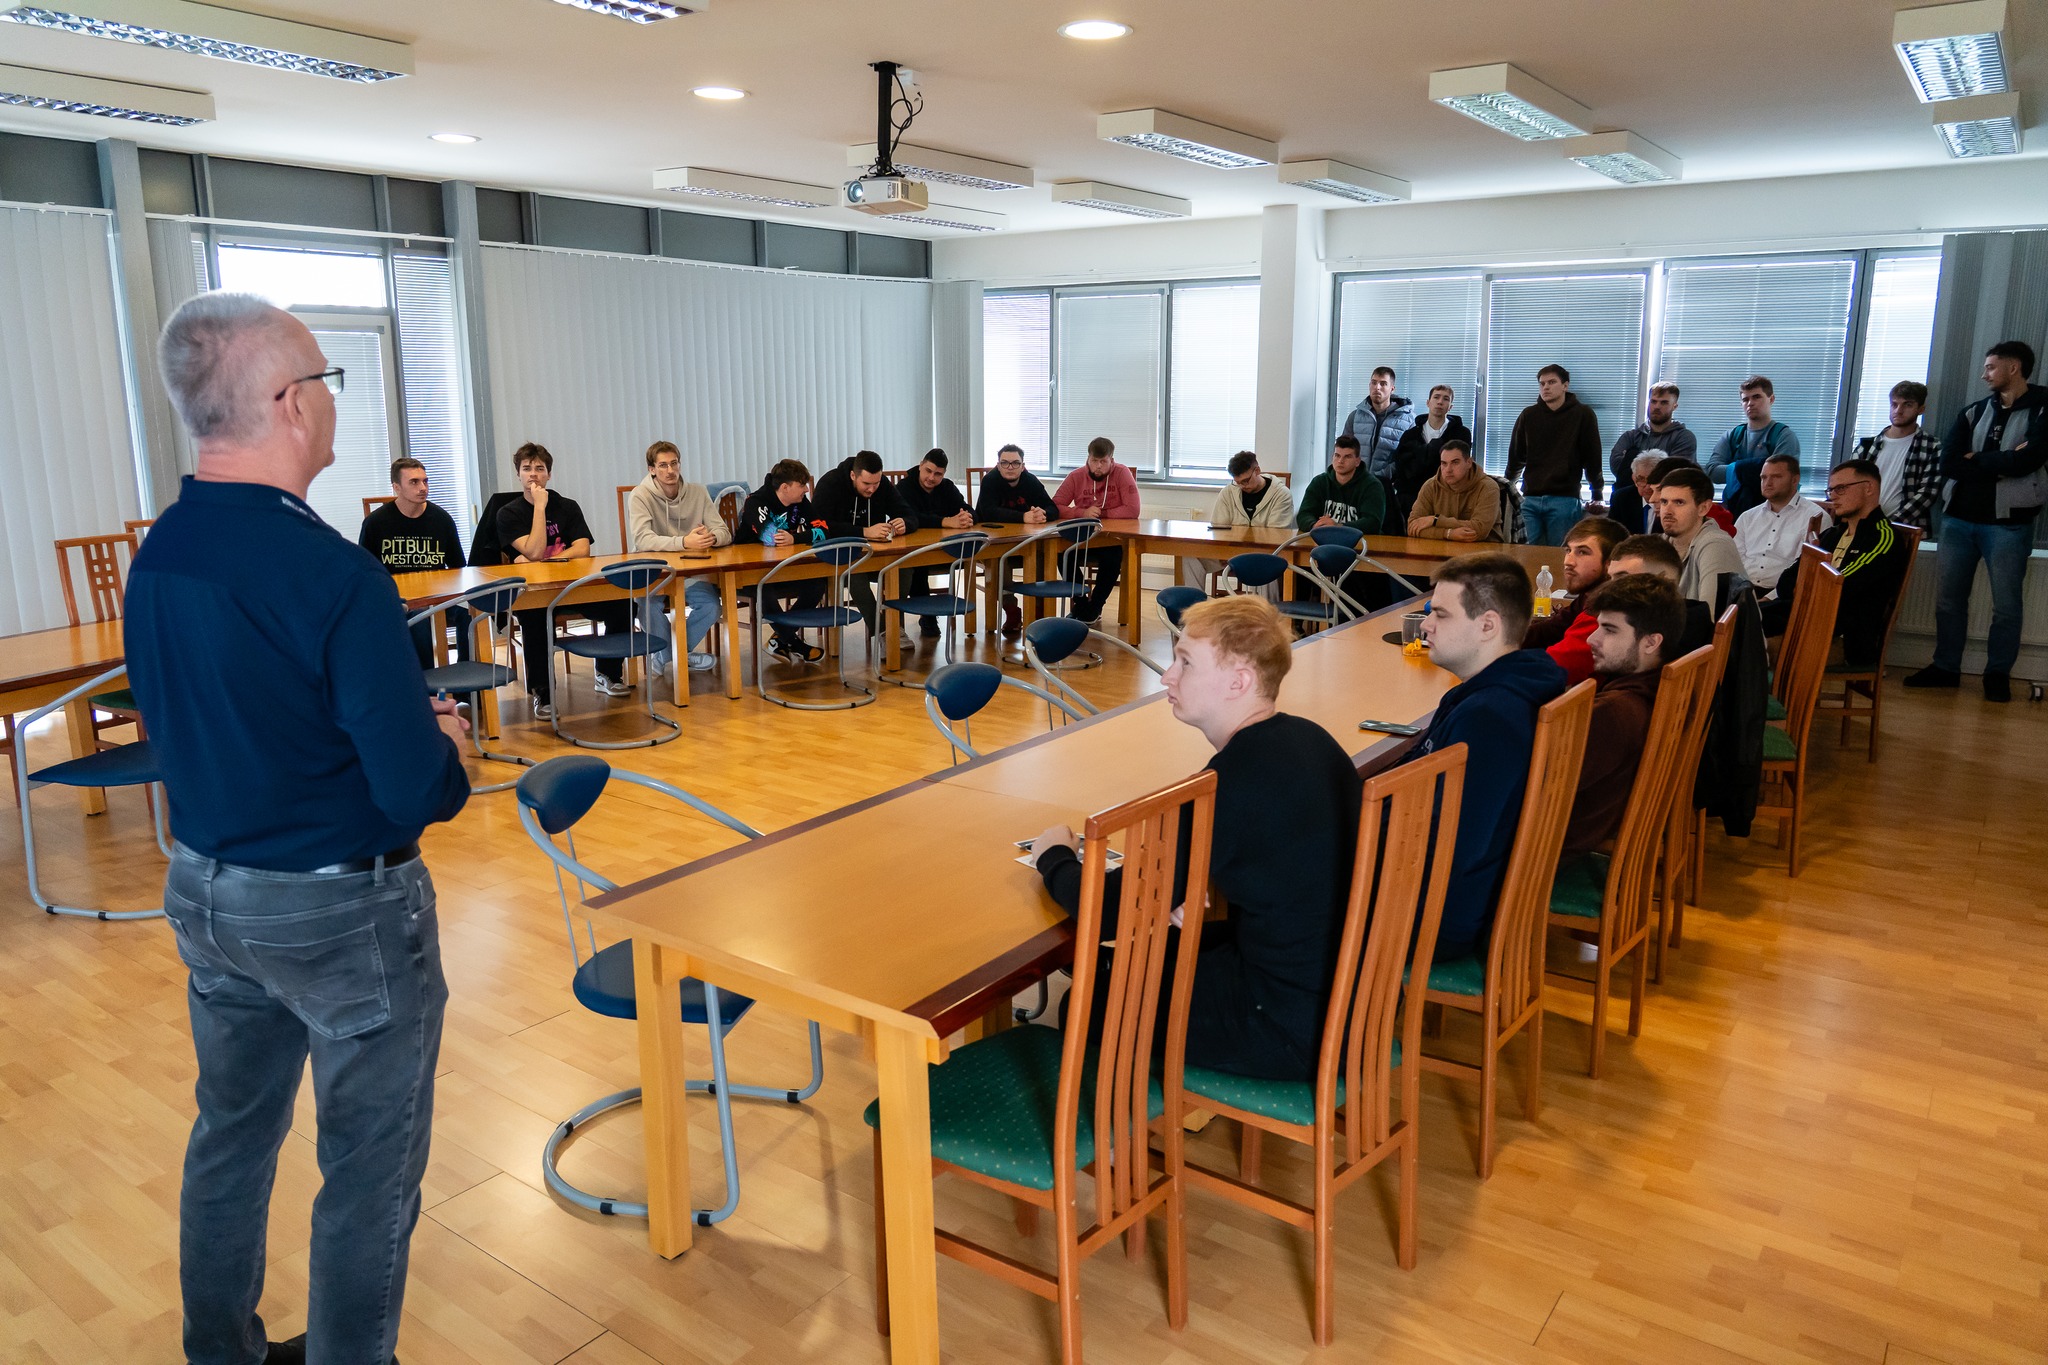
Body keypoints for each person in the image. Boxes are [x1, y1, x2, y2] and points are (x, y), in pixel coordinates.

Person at [129, 292, 471, 1365]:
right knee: (369, 1168)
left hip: (206, 891)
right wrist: (447, 747)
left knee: (231, 1137)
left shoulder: (164, 548)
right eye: (328, 378)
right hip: (338, 911)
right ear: (288, 402)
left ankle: (218, 1350)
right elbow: (415, 790)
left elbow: (231, 714)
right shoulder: (333, 573)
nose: (332, 399)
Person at [1029, 596, 1360, 1081]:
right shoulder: (1311, 740)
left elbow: (1108, 909)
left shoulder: (1225, 781)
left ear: (1238, 682)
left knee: (1097, 999)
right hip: (1351, 996)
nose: (1167, 676)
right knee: (1146, 953)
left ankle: (1113, 1126)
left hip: (1292, 1026)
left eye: (1185, 662)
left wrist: (1054, 855)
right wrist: (1184, 880)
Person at [1410, 553, 1569, 963]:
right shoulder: (1513, 686)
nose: (1426, 625)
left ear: (1487, 626)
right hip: (1457, 897)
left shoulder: (1489, 718)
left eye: (1440, 614)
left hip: (1438, 918)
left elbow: (1455, 845)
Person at [1907, 341, 2046, 702]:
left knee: (2006, 605)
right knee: (1948, 600)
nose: (1984, 375)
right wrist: (2000, 461)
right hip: (1958, 520)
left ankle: (1997, 674)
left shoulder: (2043, 408)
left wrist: (1977, 459)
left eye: (1991, 367)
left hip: (2009, 524)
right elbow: (1949, 462)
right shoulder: (1973, 412)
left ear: (2013, 368)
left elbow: (2028, 461)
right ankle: (1946, 668)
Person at [496, 442, 633, 718]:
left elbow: (582, 549)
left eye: (540, 468)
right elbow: (534, 550)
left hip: (572, 587)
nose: (533, 474)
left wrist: (543, 563)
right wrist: (539, 507)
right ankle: (544, 693)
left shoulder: (567, 506)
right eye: (527, 469)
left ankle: (607, 673)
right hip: (534, 593)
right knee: (535, 621)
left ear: (549, 474)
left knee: (624, 605)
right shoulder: (508, 513)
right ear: (518, 474)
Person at [1561, 573, 1688, 857]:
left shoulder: (1615, 711)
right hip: (1595, 828)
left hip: (1557, 847)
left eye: (1609, 630)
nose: (1592, 639)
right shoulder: (1659, 686)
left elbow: (1543, 787)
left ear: (1651, 642)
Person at [1764, 458, 1912, 668]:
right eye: (1831, 490)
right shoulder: (1832, 535)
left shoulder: (1883, 538)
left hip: (1847, 638)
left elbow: (1839, 587)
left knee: (1748, 642)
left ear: (1868, 488)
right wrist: (1803, 587)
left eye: (1841, 488)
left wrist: (1804, 586)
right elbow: (1787, 580)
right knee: (1743, 619)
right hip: (1807, 618)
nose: (1832, 496)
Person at [627, 439, 729, 672]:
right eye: (663, 465)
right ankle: (677, 656)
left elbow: (724, 532)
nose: (670, 470)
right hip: (653, 572)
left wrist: (711, 538)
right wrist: (684, 542)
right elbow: (643, 539)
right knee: (647, 606)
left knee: (711, 606)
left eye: (674, 463)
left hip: (690, 571)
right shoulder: (639, 495)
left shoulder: (697, 492)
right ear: (652, 470)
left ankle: (670, 655)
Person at [358, 455, 469, 669]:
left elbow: (458, 568)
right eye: (414, 482)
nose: (423, 488)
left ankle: (466, 676)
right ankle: (424, 682)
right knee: (418, 618)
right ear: (397, 488)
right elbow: (366, 572)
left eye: (425, 481)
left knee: (470, 611)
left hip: (438, 596)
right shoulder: (376, 523)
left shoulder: (442, 520)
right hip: (399, 599)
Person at [815, 449, 919, 634]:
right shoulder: (830, 484)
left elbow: (909, 514)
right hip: (841, 556)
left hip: (877, 555)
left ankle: (894, 627)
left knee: (904, 567)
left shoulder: (882, 484)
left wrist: (905, 523)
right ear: (853, 475)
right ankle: (883, 632)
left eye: (876, 484)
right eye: (866, 484)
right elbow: (818, 526)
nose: (871, 489)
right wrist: (864, 532)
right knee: (854, 573)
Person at [1505, 363, 1603, 546]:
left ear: (1565, 385)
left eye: (1551, 382)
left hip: (1564, 498)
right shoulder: (1529, 415)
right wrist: (1507, 488)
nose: (1546, 387)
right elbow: (1516, 456)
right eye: (1542, 384)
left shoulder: (1583, 414)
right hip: (1530, 497)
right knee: (1524, 551)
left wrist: (1597, 492)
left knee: (1560, 552)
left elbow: (1592, 457)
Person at [1523, 515, 1628, 685]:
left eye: (1582, 552)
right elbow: (1550, 629)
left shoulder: (1604, 612)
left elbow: (1552, 669)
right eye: (1568, 551)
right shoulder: (1589, 596)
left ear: (1610, 564)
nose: (1568, 561)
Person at [738, 458, 825, 663]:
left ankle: (779, 639)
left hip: (784, 567)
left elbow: (823, 531)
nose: (806, 490)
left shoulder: (800, 502)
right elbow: (771, 538)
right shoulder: (755, 502)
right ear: (785, 487)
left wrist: (795, 538)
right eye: (802, 485)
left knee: (817, 584)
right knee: (764, 588)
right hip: (749, 572)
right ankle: (795, 644)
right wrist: (796, 537)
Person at [1051, 436, 1140, 624]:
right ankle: (1082, 605)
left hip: (1109, 540)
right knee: (1063, 554)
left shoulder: (1122, 473)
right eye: (1094, 461)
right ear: (1088, 459)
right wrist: (1082, 512)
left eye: (1103, 462)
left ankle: (1096, 605)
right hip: (1082, 539)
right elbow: (1055, 506)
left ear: (1111, 461)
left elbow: (1133, 509)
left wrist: (1102, 513)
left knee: (1113, 557)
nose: (1098, 466)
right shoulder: (1076, 476)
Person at [974, 442, 1059, 636]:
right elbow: (987, 512)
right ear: (998, 465)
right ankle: (1011, 610)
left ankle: (1038, 610)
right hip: (996, 543)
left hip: (1026, 543)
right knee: (999, 562)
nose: (1010, 467)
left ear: (1023, 466)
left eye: (1015, 463)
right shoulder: (990, 481)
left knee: (1042, 556)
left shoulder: (1030, 481)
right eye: (1004, 463)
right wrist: (1023, 517)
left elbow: (1053, 508)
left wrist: (1042, 514)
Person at [1182, 450, 1295, 594]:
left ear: (1257, 471)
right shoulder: (1229, 492)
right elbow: (1218, 527)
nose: (1242, 486)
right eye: (1237, 482)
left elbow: (1275, 536)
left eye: (1245, 481)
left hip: (1264, 554)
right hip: (1229, 552)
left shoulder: (1281, 495)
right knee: (1190, 555)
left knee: (1267, 566)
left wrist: (1241, 554)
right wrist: (1225, 552)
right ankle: (1195, 606)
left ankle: (1266, 609)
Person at [896, 448, 975, 637]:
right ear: (920, 466)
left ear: (944, 474)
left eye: (938, 474)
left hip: (944, 548)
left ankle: (956, 617)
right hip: (913, 549)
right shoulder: (904, 487)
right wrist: (945, 521)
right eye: (928, 471)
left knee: (971, 553)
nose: (931, 478)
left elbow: (967, 509)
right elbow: (910, 517)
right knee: (917, 563)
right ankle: (928, 616)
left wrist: (967, 517)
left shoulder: (947, 487)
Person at [1849, 380, 1942, 533]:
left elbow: (1927, 493)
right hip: (1860, 524)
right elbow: (1848, 484)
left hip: (1902, 529)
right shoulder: (1867, 446)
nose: (1898, 410)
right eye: (1894, 404)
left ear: (1921, 409)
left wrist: (1890, 524)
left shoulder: (1931, 446)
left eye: (1907, 405)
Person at [1606, 533, 1715, 658]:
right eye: (1609, 579)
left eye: (1623, 579)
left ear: (1663, 582)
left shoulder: (1680, 641)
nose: (1608, 589)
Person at [1705, 375, 1799, 519]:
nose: (1750, 403)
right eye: (1745, 399)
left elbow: (1779, 475)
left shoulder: (1784, 436)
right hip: (1733, 512)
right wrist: (1743, 468)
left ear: (1771, 399)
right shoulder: (1732, 436)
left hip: (1774, 513)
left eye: (1756, 397)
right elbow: (1712, 472)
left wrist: (1735, 470)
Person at [1732, 453, 1828, 593]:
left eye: (1776, 477)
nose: (1768, 483)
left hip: (1784, 594)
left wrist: (1770, 598)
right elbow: (1734, 558)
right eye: (1763, 477)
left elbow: (1803, 570)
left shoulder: (1815, 518)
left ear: (1795, 480)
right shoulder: (1747, 517)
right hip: (1743, 589)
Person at [1608, 381, 1696, 532]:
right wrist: (1658, 461)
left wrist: (1633, 457)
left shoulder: (1684, 437)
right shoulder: (1631, 436)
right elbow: (1617, 467)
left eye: (1664, 402)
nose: (1657, 406)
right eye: (1653, 401)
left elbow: (1675, 473)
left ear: (1675, 406)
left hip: (1667, 501)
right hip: (1633, 500)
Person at [1655, 465, 1745, 608]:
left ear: (1703, 508)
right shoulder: (1660, 544)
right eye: (1664, 502)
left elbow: (1708, 614)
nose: (1667, 511)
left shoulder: (1716, 545)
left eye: (1679, 502)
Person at [1389, 384, 1472, 523]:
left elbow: (1459, 469)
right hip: (1412, 499)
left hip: (1448, 499)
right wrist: (1434, 452)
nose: (1440, 402)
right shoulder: (1410, 435)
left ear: (1450, 407)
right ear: (1428, 402)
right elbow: (1404, 471)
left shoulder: (1461, 434)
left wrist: (1420, 455)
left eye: (1446, 399)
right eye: (1436, 397)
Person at [1407, 438, 1501, 542]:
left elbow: (1479, 530)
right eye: (1444, 463)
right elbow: (1412, 527)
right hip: (1441, 548)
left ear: (1469, 462)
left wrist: (1436, 520)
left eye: (1455, 462)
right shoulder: (1430, 486)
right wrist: (1448, 534)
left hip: (1486, 548)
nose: (1448, 470)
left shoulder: (1488, 487)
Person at [1339, 364, 1415, 488]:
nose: (1377, 387)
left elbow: (1407, 458)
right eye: (1373, 383)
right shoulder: (1355, 416)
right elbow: (1343, 449)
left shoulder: (1408, 420)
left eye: (1383, 384)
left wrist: (1380, 477)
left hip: (1388, 486)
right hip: (1356, 483)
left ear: (1392, 388)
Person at [1295, 434, 1386, 534]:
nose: (1340, 461)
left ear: (1357, 461)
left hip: (1361, 541)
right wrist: (1314, 525)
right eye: (1337, 455)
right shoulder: (1319, 482)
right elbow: (1304, 514)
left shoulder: (1372, 486)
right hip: (1323, 538)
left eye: (1347, 457)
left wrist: (1338, 527)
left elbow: (1373, 523)